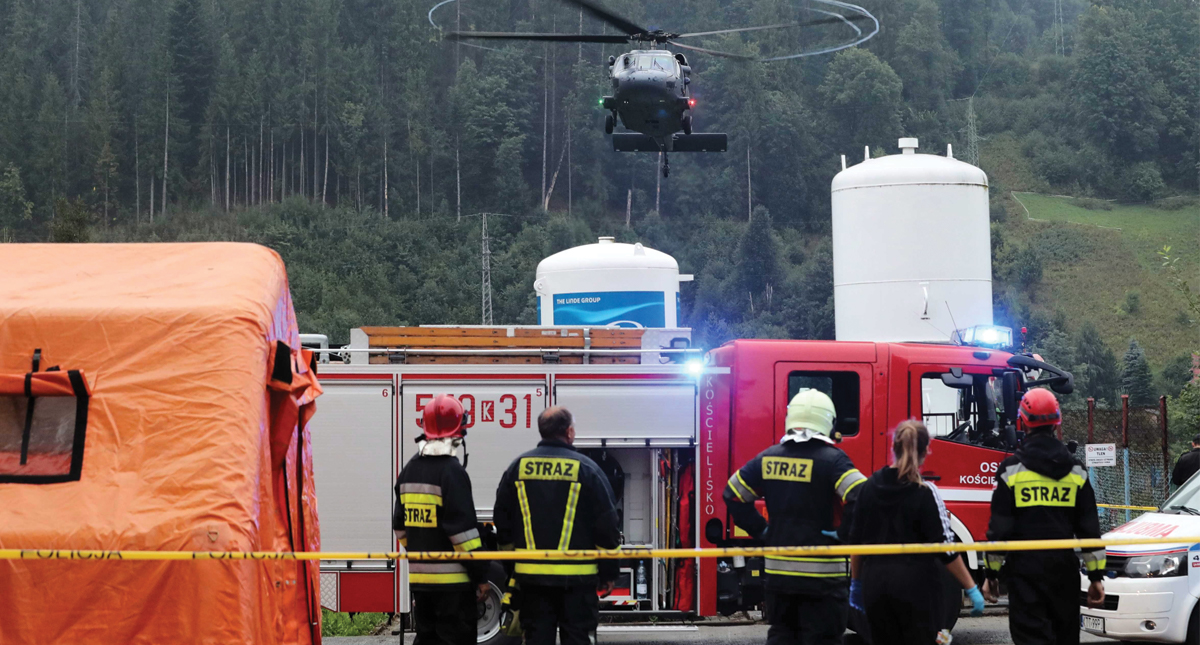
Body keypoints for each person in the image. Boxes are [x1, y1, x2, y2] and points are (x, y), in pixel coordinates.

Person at [723, 389, 866, 645]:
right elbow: (863, 497)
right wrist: (845, 534)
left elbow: (733, 494)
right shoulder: (833, 460)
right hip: (824, 580)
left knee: (782, 636)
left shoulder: (768, 457)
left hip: (779, 577)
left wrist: (762, 531)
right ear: (828, 422)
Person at [982, 388, 1105, 645]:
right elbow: (1089, 531)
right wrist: (1096, 578)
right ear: (1056, 421)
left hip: (1024, 574)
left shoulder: (1010, 470)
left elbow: (999, 530)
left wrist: (991, 574)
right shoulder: (1077, 471)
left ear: (1023, 421)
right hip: (1064, 574)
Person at [493, 406, 621, 645]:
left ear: (541, 432)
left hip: (532, 583)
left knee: (537, 640)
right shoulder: (588, 470)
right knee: (578, 639)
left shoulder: (517, 468)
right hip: (578, 584)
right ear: (570, 432)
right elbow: (607, 525)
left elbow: (502, 520)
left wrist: (512, 567)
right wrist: (608, 572)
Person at [848, 420, 962, 645]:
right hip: (916, 587)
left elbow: (856, 543)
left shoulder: (869, 487)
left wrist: (856, 584)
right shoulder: (926, 492)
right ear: (926, 450)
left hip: (876, 585)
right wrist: (970, 586)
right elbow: (944, 546)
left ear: (893, 447)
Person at [393, 394, 489, 645]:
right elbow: (463, 536)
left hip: (421, 583)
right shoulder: (452, 472)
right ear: (458, 432)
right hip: (454, 586)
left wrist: (421, 551)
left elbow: (400, 528)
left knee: (427, 639)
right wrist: (480, 576)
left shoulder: (408, 470)